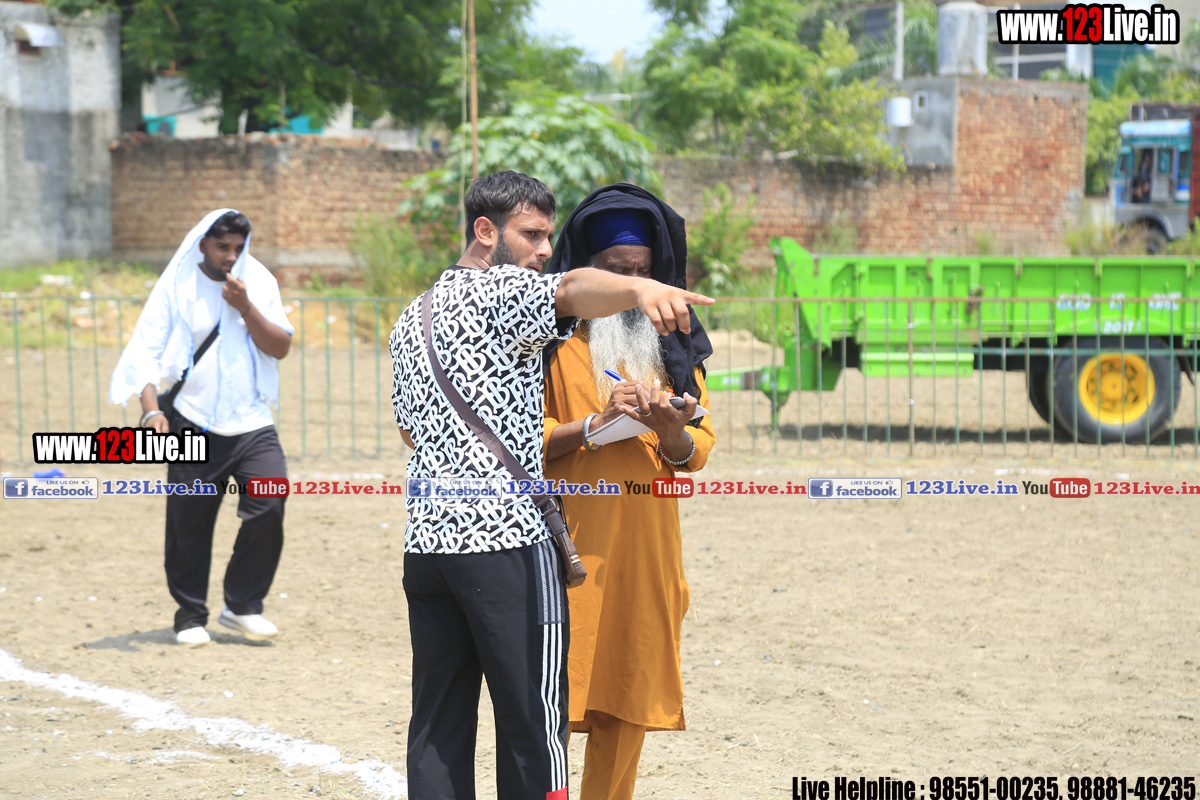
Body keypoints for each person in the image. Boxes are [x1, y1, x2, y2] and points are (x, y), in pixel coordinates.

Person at [389, 171, 713, 800]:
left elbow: (410, 430)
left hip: (430, 544)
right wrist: (640, 290)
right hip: (510, 542)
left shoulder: (414, 314)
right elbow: (567, 289)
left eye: (547, 236)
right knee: (537, 727)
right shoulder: (514, 298)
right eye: (532, 235)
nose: (544, 250)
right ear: (486, 231)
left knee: (436, 724)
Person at [540, 184, 716, 800]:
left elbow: (696, 452)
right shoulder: (548, 344)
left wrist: (670, 429)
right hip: (570, 546)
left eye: (642, 272)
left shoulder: (673, 347)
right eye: (616, 272)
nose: (632, 285)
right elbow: (515, 438)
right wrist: (591, 427)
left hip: (647, 550)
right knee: (554, 700)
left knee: (626, 695)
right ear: (587, 272)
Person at [109, 209, 294, 647]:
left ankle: (242, 605)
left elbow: (281, 346)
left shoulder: (258, 280)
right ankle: (189, 616)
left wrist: (244, 306)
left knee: (270, 502)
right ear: (202, 244)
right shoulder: (177, 284)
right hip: (192, 420)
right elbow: (146, 352)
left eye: (238, 247)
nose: (231, 256)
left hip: (252, 421)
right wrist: (151, 412)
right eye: (222, 246)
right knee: (189, 524)